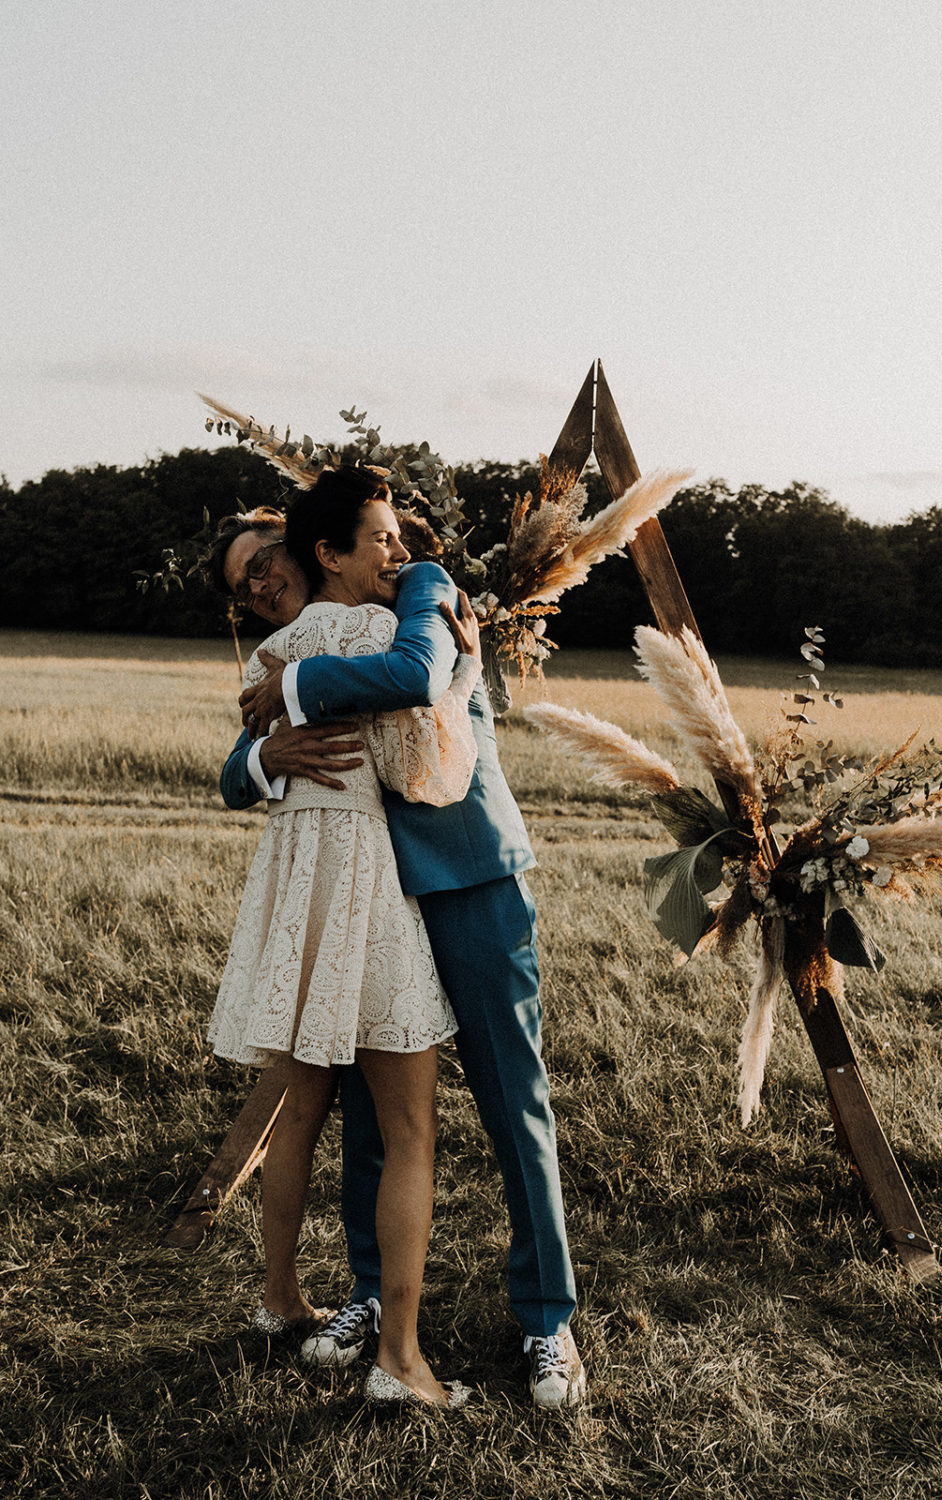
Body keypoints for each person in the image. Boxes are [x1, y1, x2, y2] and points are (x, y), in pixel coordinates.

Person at [216, 467, 586, 1409]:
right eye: (243, 584)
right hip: (370, 899)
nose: (260, 585)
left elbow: (410, 677)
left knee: (512, 1100)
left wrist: (293, 687)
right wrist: (268, 750)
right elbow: (234, 761)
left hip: (466, 878)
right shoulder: (296, 642)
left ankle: (548, 1319)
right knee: (374, 1119)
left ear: (310, 554)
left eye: (267, 563)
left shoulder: (416, 589)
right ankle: (375, 1299)